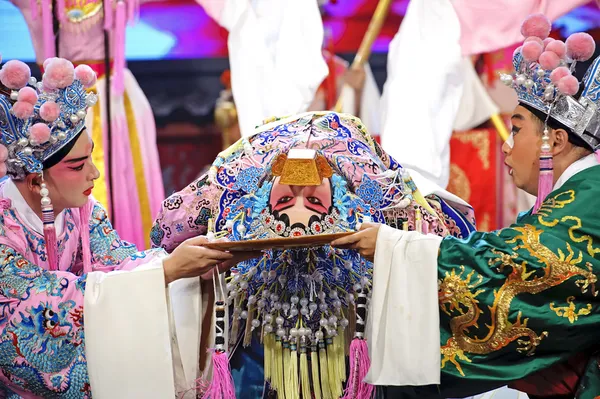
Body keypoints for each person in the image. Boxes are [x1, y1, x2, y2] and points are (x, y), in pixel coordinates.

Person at [332, 15, 600, 398]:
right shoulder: (575, 196)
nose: (506, 145)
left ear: (555, 141)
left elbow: (508, 264)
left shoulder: (589, 199)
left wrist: (394, 247)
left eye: (518, 129)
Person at [151, 111, 477, 398]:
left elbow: (445, 235)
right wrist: (263, 158)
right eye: (284, 201)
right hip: (260, 325)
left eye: (315, 201)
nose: (299, 214)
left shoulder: (366, 206)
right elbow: (167, 229)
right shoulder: (244, 203)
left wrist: (349, 159)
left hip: (347, 315)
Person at [0, 56, 247, 398]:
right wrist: (166, 273)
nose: (94, 174)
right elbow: (44, 306)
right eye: (77, 165)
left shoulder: (85, 211)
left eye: (91, 158)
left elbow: (121, 263)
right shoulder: (3, 227)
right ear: (34, 181)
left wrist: (190, 270)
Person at [9, 0, 165, 249]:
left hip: (112, 100)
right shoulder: (37, 3)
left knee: (123, 177)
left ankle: (127, 252)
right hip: (55, 104)